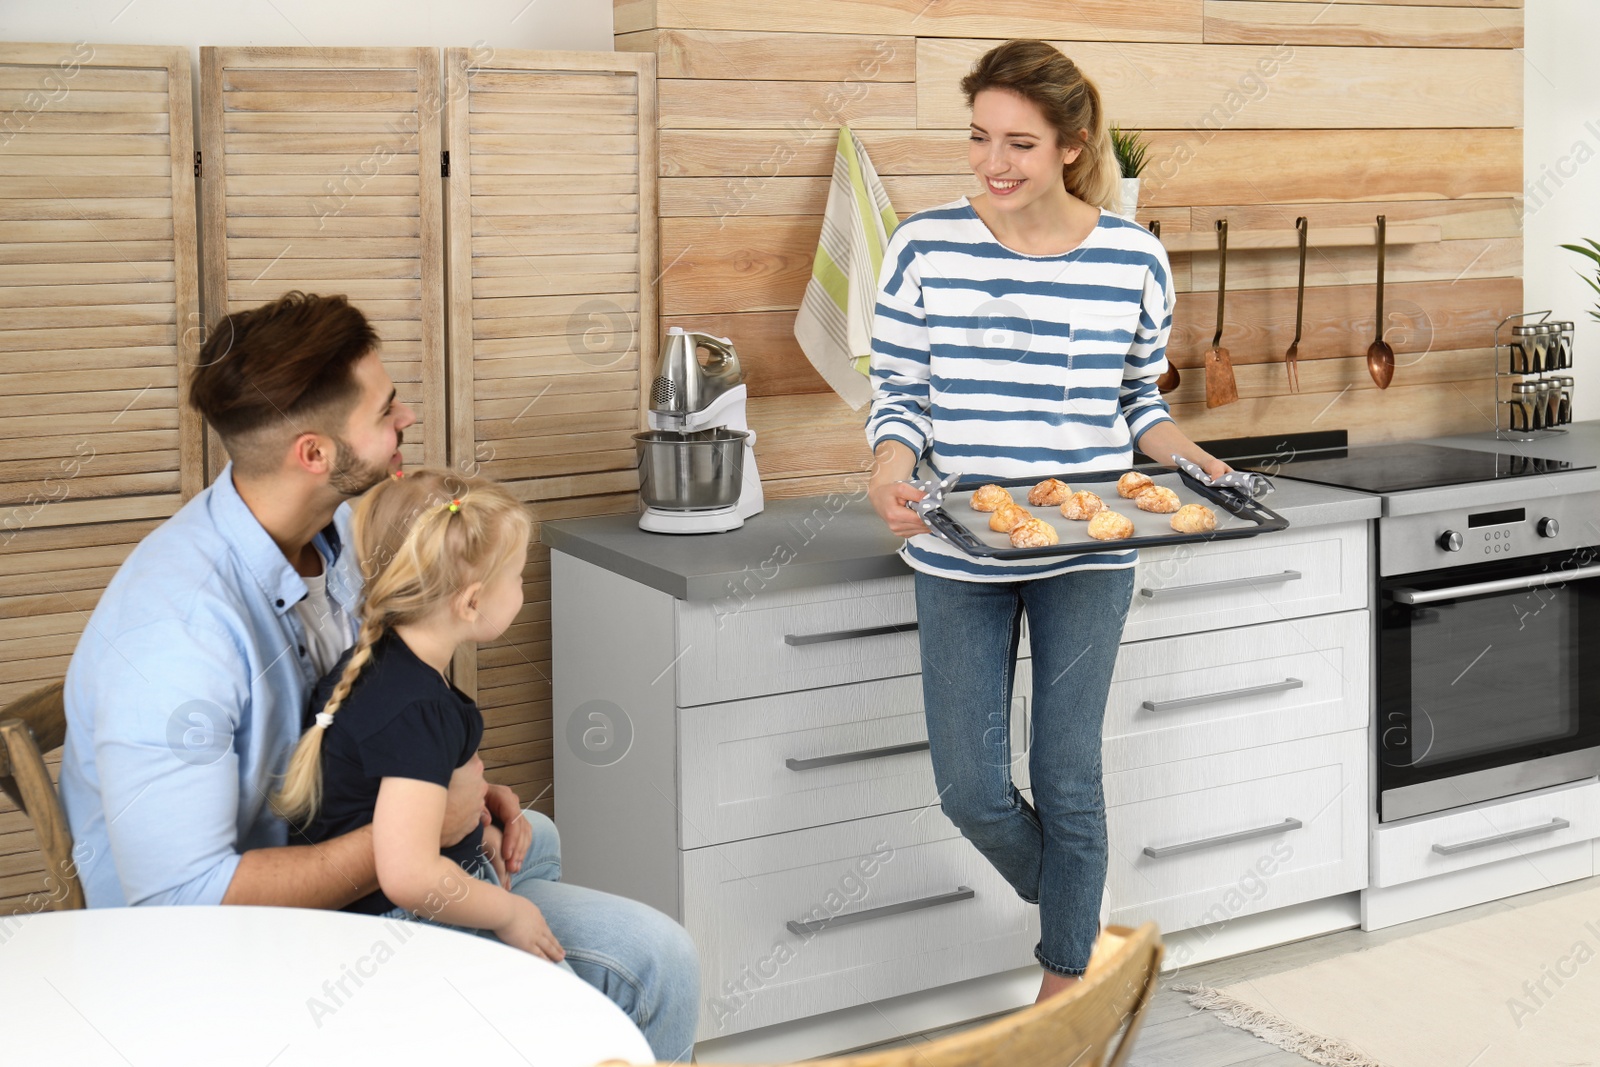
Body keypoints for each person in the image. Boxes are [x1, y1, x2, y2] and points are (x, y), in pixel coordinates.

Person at [59, 291, 699, 1061]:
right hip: (235, 962)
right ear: (314, 453)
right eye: (385, 409)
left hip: (335, 864)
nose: (406, 421)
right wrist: (422, 821)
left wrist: (443, 783)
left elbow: (372, 715)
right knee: (657, 963)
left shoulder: (335, 535)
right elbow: (183, 906)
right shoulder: (177, 633)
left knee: (538, 840)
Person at [864, 40, 1232, 1002]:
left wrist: (1182, 454)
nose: (994, 162)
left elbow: (1135, 402)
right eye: (979, 137)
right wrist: (888, 467)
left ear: (1072, 145)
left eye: (1019, 143)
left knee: (1068, 776)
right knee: (971, 789)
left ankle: (1065, 988)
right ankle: (1085, 916)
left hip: (1090, 546)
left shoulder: (1131, 257)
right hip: (957, 543)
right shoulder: (925, 247)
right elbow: (900, 392)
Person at [276, 468, 564, 962]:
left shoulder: (381, 662)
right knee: (564, 999)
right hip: (394, 929)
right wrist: (507, 913)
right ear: (472, 603)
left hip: (372, 905)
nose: (522, 586)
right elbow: (410, 877)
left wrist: (478, 832)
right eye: (516, 576)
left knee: (542, 837)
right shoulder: (420, 710)